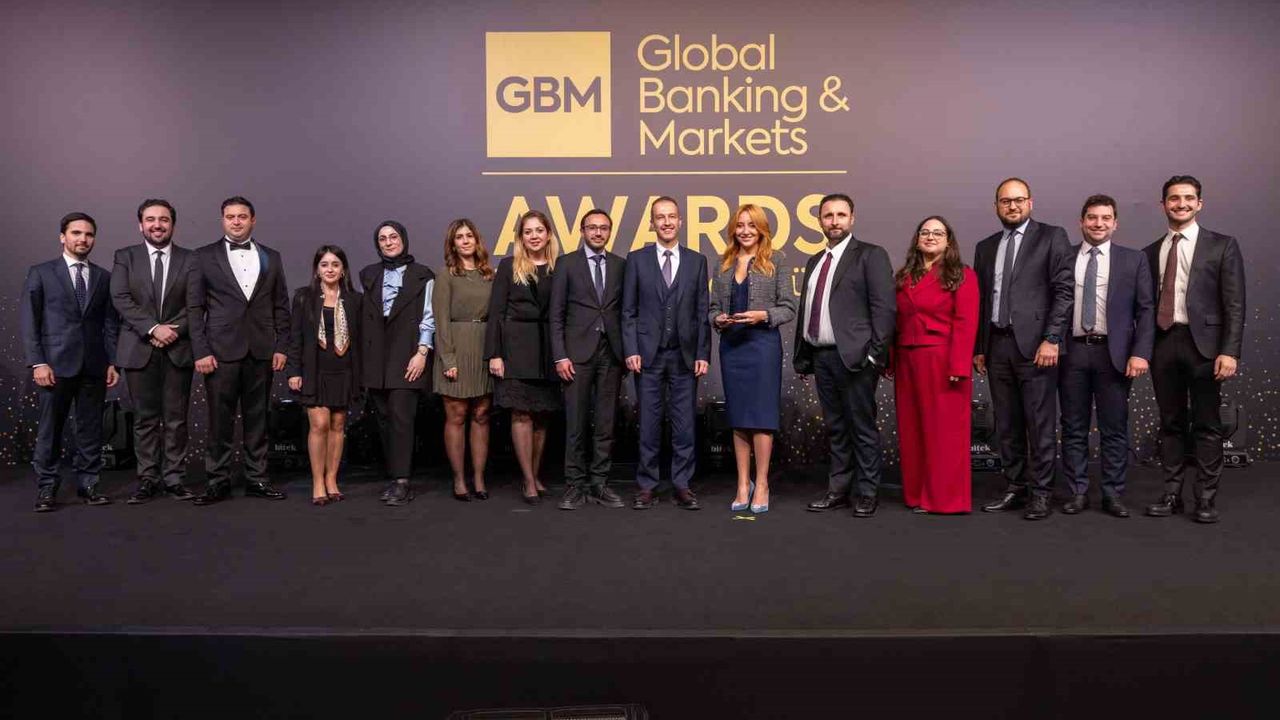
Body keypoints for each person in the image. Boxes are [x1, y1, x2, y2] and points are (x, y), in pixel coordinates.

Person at [1143, 175, 1245, 523]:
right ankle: (1172, 495)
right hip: (1163, 344)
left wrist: (1230, 351)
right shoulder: (1149, 252)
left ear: (1199, 204)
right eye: (1174, 198)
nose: (1181, 204)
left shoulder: (1222, 246)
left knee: (1207, 424)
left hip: (1205, 348)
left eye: (1188, 198)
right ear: (1163, 205)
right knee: (1170, 423)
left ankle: (1205, 498)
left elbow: (1235, 304)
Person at [972, 178, 1073, 521]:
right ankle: (1015, 487)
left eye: (1018, 200)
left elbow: (1064, 291)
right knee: (1007, 423)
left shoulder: (1052, 236)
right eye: (1005, 201)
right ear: (996, 207)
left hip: (1036, 347)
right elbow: (983, 301)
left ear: (1030, 203)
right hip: (997, 345)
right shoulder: (986, 247)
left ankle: (1041, 493)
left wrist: (1052, 338)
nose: (1012, 206)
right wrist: (980, 346)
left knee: (1039, 423)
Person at [794, 193, 895, 518]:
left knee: (861, 428)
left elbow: (884, 309)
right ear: (820, 221)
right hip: (821, 357)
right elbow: (808, 311)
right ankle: (838, 491)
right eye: (828, 215)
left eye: (840, 215)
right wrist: (804, 356)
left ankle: (867, 493)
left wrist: (874, 356)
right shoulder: (815, 261)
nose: (834, 221)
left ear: (852, 218)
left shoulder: (870, 255)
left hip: (856, 359)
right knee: (836, 428)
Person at [188, 196, 291, 505]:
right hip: (220, 352)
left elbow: (281, 305)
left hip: (261, 350)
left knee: (258, 420)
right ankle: (217, 481)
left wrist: (281, 346)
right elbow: (194, 309)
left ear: (252, 220)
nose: (236, 221)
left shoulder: (272, 257)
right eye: (230, 216)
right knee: (219, 421)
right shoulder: (203, 256)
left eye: (242, 216)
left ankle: (257, 479)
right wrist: (200, 351)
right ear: (222, 220)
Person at [1057, 195, 1155, 519]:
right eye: (1092, 217)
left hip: (1114, 355)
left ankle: (1112, 493)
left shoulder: (1134, 259)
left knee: (1114, 428)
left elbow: (1145, 309)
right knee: (1073, 427)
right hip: (1071, 353)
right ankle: (1077, 492)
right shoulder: (1064, 257)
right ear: (1081, 222)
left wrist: (1140, 353)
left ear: (1115, 223)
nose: (1098, 224)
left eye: (1105, 218)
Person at [22, 212, 120, 512]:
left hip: (94, 365)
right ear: (62, 237)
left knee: (90, 429)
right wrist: (38, 363)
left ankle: (89, 484)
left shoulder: (103, 277)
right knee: (50, 430)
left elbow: (109, 323)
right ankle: (47, 487)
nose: (83, 239)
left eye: (89, 234)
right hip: (53, 365)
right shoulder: (41, 273)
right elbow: (29, 321)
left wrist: (112, 361)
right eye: (76, 233)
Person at [622, 196, 711, 510]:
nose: (667, 222)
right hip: (648, 357)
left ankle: (682, 484)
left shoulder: (697, 261)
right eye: (660, 217)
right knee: (648, 423)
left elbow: (702, 312)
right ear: (652, 223)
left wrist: (703, 353)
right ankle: (647, 485)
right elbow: (628, 311)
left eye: (672, 216)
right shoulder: (636, 260)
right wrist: (631, 349)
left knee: (684, 424)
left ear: (680, 221)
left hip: (684, 356)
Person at [708, 203, 795, 514]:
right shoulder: (722, 263)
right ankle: (743, 484)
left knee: (761, 417)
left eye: (751, 225)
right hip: (732, 347)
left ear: (762, 229)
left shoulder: (777, 260)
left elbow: (789, 306)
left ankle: (762, 484)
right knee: (739, 417)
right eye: (740, 225)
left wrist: (764, 315)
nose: (745, 231)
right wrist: (717, 319)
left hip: (762, 346)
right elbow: (712, 307)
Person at [110, 199, 197, 504]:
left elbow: (197, 303)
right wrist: (153, 328)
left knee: (176, 419)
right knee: (145, 420)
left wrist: (172, 331)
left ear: (173, 224)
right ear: (140, 225)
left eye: (163, 219)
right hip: (139, 348)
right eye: (150, 219)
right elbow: (120, 298)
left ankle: (174, 479)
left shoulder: (191, 259)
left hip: (178, 348)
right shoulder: (125, 257)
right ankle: (147, 479)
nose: (157, 225)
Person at [890, 216, 979, 514]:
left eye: (938, 233)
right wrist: (891, 358)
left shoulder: (962, 275)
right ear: (917, 239)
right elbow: (895, 320)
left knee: (945, 434)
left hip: (943, 361)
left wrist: (959, 366)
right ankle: (917, 495)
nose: (930, 237)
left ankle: (945, 500)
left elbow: (966, 322)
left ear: (948, 240)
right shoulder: (904, 276)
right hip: (907, 360)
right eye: (925, 232)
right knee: (912, 430)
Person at [551, 209, 627, 510]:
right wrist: (560, 355)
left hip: (612, 353)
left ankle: (599, 483)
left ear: (610, 231)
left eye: (603, 228)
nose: (598, 233)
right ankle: (575, 485)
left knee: (606, 424)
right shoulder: (566, 263)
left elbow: (625, 312)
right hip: (576, 355)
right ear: (582, 231)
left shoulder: (621, 265)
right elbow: (556, 315)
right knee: (576, 423)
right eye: (592, 228)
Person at [486, 210, 561, 504]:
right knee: (521, 413)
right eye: (528, 231)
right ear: (520, 237)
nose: (534, 236)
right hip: (515, 349)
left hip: (548, 350)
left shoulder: (559, 266)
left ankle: (535, 473)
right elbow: (496, 312)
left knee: (542, 416)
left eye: (539, 230)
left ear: (548, 234)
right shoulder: (508, 266)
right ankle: (528, 480)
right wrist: (495, 353)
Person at [359, 220, 435, 507]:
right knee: (383, 420)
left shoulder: (422, 275)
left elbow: (428, 316)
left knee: (402, 419)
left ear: (403, 239)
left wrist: (422, 352)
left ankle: (402, 481)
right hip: (375, 359)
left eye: (393, 237)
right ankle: (393, 477)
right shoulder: (368, 274)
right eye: (383, 238)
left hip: (407, 355)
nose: (389, 242)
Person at [287, 245, 362, 506]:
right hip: (314, 370)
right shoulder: (303, 297)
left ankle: (332, 479)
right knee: (319, 425)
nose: (330, 269)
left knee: (338, 426)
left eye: (335, 264)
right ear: (317, 270)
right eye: (324, 265)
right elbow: (295, 337)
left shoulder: (355, 300)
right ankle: (317, 482)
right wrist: (294, 371)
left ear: (343, 270)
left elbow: (361, 340)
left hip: (344, 370)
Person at [434, 218, 496, 502]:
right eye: (459, 237)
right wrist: (448, 359)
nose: (466, 240)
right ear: (453, 244)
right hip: (456, 348)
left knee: (481, 415)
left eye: (469, 235)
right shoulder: (446, 275)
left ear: (477, 240)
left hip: (484, 348)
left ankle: (479, 478)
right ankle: (459, 479)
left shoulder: (489, 274)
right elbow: (441, 320)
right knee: (457, 416)